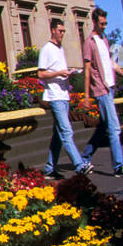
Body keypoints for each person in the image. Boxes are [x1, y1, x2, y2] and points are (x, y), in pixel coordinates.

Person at [80, 7, 123, 177]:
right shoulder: (89, 42)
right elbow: (87, 69)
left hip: (110, 87)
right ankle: (119, 166)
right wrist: (87, 95)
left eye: (106, 23)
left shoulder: (104, 39)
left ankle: (85, 158)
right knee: (114, 128)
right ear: (94, 22)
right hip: (101, 89)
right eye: (102, 23)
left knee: (104, 126)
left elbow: (110, 62)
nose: (104, 26)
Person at [37, 17, 92, 179]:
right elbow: (41, 73)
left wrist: (68, 72)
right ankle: (80, 165)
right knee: (67, 131)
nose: (62, 34)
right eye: (60, 31)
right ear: (53, 30)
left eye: (64, 31)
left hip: (64, 95)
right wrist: (59, 73)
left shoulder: (60, 49)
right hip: (55, 96)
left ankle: (49, 168)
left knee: (59, 134)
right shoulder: (46, 49)